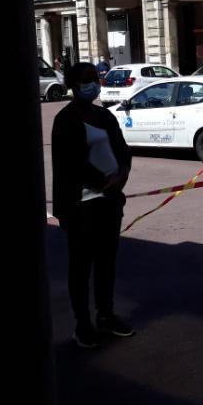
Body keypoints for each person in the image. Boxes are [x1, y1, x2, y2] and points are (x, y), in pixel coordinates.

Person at [51, 62, 135, 347]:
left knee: (106, 263)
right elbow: (71, 163)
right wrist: (103, 181)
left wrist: (122, 175)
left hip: (109, 202)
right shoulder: (65, 119)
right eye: (87, 80)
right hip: (81, 206)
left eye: (95, 79)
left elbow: (123, 150)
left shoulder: (104, 115)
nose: (94, 85)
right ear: (74, 85)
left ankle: (106, 315)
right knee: (80, 267)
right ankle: (83, 324)